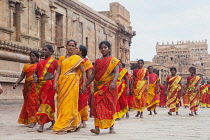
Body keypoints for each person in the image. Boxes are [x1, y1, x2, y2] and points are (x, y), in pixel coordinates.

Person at [85, 41, 119, 135]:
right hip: (98, 87)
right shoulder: (97, 61)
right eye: (101, 48)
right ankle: (97, 128)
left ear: (109, 48)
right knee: (97, 107)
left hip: (109, 87)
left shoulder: (113, 60)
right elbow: (93, 75)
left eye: (105, 47)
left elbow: (116, 72)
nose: (103, 49)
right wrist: (85, 84)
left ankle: (111, 127)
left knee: (110, 106)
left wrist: (113, 82)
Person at [53, 40, 86, 134]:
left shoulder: (77, 58)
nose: (70, 47)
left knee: (70, 103)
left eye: (72, 46)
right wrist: (55, 82)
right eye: (69, 45)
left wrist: (84, 84)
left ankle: (64, 126)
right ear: (66, 47)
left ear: (75, 47)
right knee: (62, 104)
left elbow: (83, 72)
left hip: (73, 83)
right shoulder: (62, 58)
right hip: (62, 83)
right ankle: (75, 123)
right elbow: (58, 71)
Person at [34, 45, 58, 132]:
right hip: (40, 85)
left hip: (49, 85)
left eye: (46, 50)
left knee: (45, 103)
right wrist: (35, 77)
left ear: (51, 52)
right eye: (43, 50)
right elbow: (35, 73)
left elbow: (59, 72)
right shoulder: (40, 62)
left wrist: (56, 82)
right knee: (46, 103)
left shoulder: (54, 61)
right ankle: (53, 122)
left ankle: (41, 125)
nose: (43, 51)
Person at [13, 51, 39, 128]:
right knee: (27, 103)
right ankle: (29, 119)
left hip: (35, 86)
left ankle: (33, 121)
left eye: (33, 56)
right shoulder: (26, 66)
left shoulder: (38, 65)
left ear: (37, 57)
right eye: (30, 56)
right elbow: (22, 75)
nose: (31, 57)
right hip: (27, 87)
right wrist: (16, 83)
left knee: (33, 103)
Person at [74, 45, 93, 128]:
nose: (75, 49)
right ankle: (75, 119)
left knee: (83, 102)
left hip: (84, 85)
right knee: (75, 102)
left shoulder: (87, 62)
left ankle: (83, 120)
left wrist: (89, 86)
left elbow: (90, 75)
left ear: (81, 51)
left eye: (77, 48)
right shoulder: (74, 60)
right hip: (74, 84)